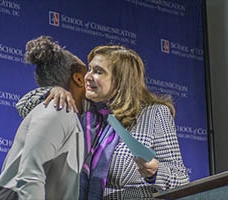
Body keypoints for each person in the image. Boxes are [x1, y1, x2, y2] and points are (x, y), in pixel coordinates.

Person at [16, 45, 190, 199]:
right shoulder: (87, 112)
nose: (87, 77)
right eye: (89, 69)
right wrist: (53, 91)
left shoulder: (154, 113)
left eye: (98, 71)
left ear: (121, 80)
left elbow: (181, 179)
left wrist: (155, 171)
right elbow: (23, 105)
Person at [0, 36, 87, 200]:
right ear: (79, 79)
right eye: (88, 73)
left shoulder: (64, 112)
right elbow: (30, 177)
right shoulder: (59, 109)